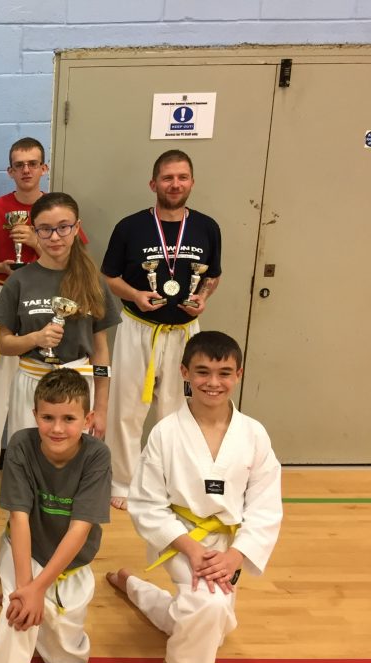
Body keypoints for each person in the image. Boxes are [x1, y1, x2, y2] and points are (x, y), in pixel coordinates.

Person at [106, 331, 281, 663]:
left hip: (231, 543)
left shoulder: (254, 434)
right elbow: (147, 503)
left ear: (238, 374)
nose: (213, 383)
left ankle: (131, 584)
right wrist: (191, 548)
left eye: (224, 373)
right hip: (180, 538)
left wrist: (236, 555)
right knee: (210, 607)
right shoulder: (166, 433)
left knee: (204, 616)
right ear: (184, 371)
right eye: (202, 372)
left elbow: (266, 506)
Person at [0, 369, 111, 663]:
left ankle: (128, 584)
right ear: (34, 414)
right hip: (25, 553)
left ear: (87, 421)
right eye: (48, 417)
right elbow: (18, 518)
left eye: (69, 419)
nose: (57, 428)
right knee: (18, 620)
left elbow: (80, 529)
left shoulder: (97, 455)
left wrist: (38, 588)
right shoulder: (21, 445)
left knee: (67, 659)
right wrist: (25, 589)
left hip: (70, 561)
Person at [101, 149, 222, 508]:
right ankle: (122, 482)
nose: (175, 184)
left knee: (178, 410)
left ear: (192, 182)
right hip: (138, 328)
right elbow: (110, 277)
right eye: (168, 177)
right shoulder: (130, 227)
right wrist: (136, 294)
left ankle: (170, 482)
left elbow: (212, 276)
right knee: (125, 409)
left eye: (182, 177)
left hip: (185, 332)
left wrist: (203, 296)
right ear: (154, 183)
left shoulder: (207, 227)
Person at [0, 138, 87, 484]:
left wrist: (36, 242)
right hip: (3, 294)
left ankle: (41, 467)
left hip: (49, 303)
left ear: (44, 168)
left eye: (33, 163)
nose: (26, 170)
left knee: (40, 385)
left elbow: (79, 257)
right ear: (10, 171)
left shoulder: (56, 212)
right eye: (19, 165)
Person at [0, 192, 120, 438]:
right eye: (45, 229)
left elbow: (100, 349)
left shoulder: (93, 280)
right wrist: (35, 339)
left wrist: (101, 409)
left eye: (63, 228)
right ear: (34, 231)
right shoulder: (19, 280)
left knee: (71, 467)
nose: (54, 237)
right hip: (31, 383)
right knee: (29, 462)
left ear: (76, 228)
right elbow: (3, 344)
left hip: (79, 387)